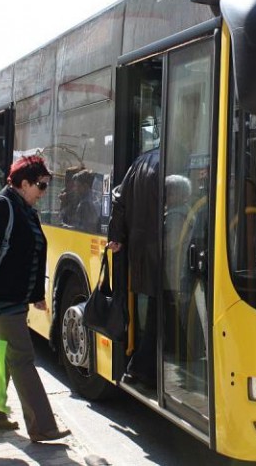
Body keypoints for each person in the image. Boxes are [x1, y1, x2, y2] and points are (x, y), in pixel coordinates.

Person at [0, 155, 71, 441]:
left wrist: (36, 295)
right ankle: (42, 426)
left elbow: (33, 254)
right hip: (1, 298)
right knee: (24, 358)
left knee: (6, 354)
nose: (44, 192)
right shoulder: (1, 207)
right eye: (41, 186)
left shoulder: (25, 209)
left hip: (15, 296)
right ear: (24, 183)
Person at [107, 148, 160, 387]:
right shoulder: (178, 157)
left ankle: (140, 368)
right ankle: (142, 368)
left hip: (140, 249)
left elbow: (119, 199)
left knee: (156, 309)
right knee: (160, 310)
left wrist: (116, 236)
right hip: (163, 251)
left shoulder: (142, 161)